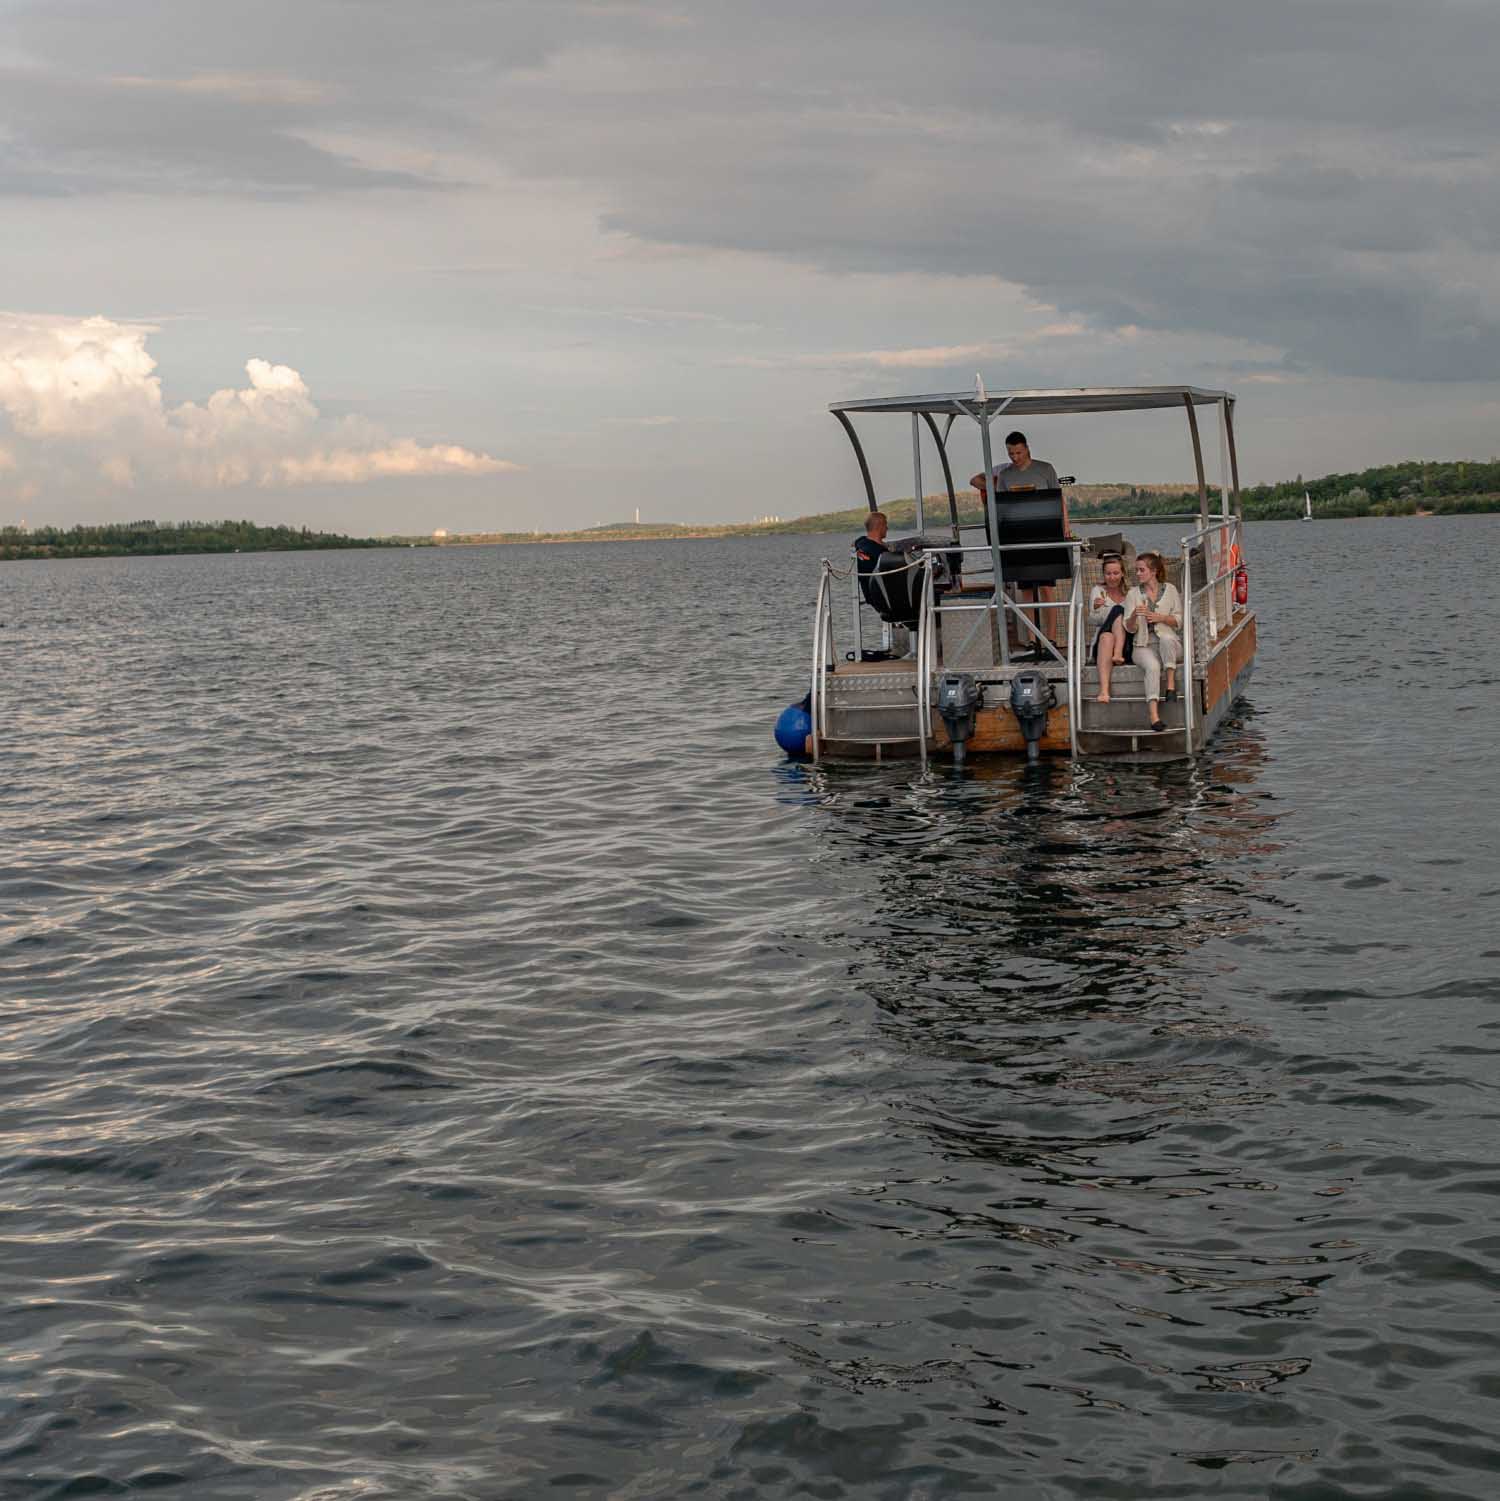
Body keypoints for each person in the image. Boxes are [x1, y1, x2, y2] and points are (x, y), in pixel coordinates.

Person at [969, 432, 1070, 659]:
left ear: (1027, 449)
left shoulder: (1046, 469)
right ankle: (1033, 640)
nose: (1015, 457)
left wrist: (1065, 525)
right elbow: (1002, 506)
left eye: (1019, 452)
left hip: (1045, 534)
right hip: (1018, 536)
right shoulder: (1004, 475)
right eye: (1011, 453)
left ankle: (1051, 639)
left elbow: (1058, 497)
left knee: (1047, 588)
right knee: (1025, 589)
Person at [1122, 551, 1183, 732]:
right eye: (1137, 570)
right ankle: (1154, 717)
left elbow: (1179, 621)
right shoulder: (1133, 594)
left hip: (1170, 644)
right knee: (1153, 667)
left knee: (1166, 638)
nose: (1138, 574)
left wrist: (1160, 617)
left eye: (1141, 570)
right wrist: (1134, 615)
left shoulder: (1170, 590)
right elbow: (1129, 628)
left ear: (1153, 571)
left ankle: (1170, 685)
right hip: (1143, 646)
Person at [1088, 553, 1132, 703]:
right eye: (1108, 573)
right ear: (1103, 574)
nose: (1112, 577)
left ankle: (1118, 653)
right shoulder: (1098, 591)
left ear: (1122, 573)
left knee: (1119, 611)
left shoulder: (1131, 593)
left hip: (1127, 644)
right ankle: (1104, 691)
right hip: (1103, 646)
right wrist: (1095, 609)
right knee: (1107, 635)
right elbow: (1093, 621)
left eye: (1115, 573)